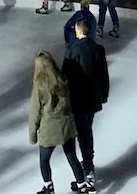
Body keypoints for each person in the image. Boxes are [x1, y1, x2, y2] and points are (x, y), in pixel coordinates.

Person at [29, 51, 88, 194]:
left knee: (44, 160)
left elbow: (35, 112)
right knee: (71, 156)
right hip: (67, 125)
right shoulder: (63, 79)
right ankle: (82, 186)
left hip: (49, 129)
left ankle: (49, 188)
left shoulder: (40, 86)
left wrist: (33, 134)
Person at [63, 20, 109, 192]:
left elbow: (65, 77)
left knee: (83, 134)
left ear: (78, 31)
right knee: (86, 130)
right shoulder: (98, 49)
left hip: (78, 101)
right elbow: (104, 74)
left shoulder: (72, 50)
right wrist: (104, 94)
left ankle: (88, 170)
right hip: (93, 100)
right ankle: (88, 162)